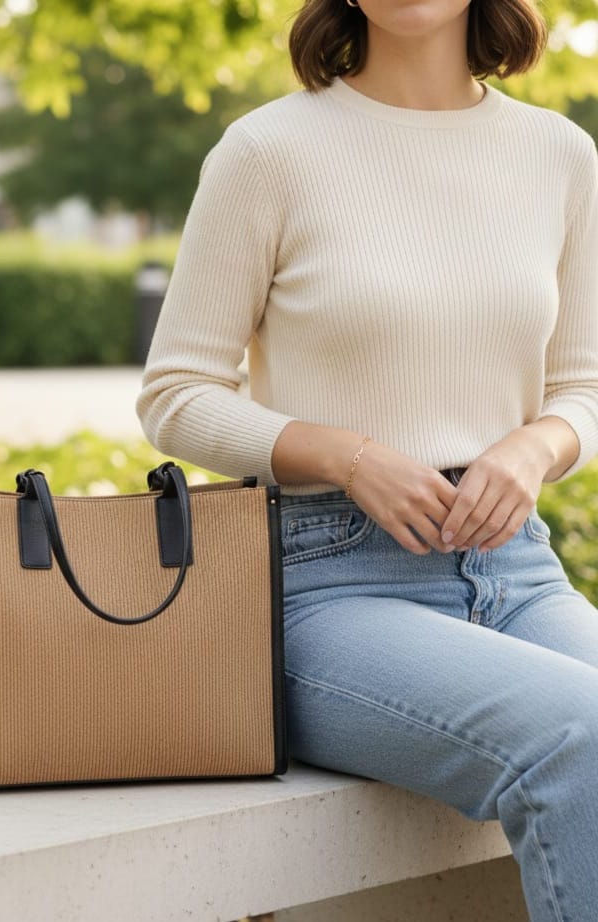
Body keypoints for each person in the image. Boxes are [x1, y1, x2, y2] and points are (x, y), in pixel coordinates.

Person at [135, 0, 598, 917]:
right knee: (579, 734)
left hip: (518, 569)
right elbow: (175, 393)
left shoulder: (560, 155)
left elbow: (583, 383)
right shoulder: (266, 152)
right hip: (327, 583)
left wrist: (531, 448)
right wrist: (348, 457)